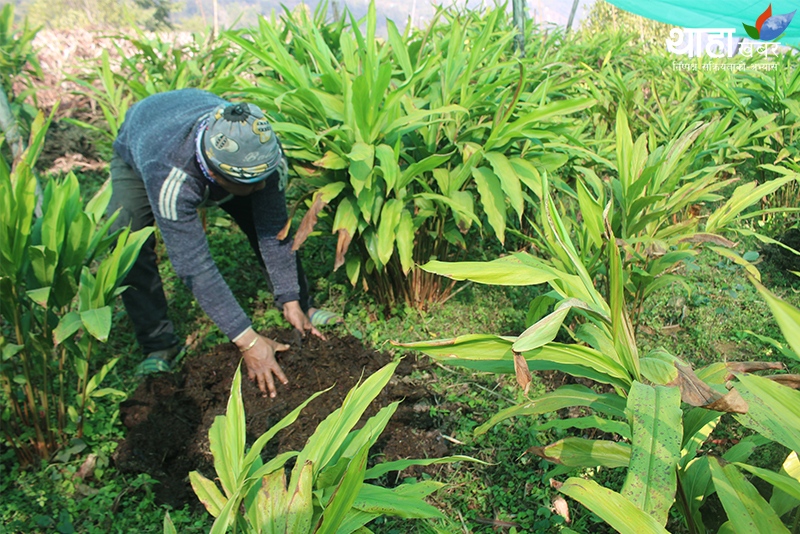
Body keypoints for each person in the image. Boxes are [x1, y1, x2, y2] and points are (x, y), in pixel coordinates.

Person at [109, 88, 340, 398]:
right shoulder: (171, 177)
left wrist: (291, 298)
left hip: (199, 127)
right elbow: (193, 264)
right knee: (127, 244)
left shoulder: (263, 152)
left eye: (262, 177)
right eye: (250, 181)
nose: (262, 186)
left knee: (266, 224)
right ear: (215, 176)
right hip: (145, 139)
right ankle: (159, 345)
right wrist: (247, 340)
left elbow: (273, 230)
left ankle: (302, 308)